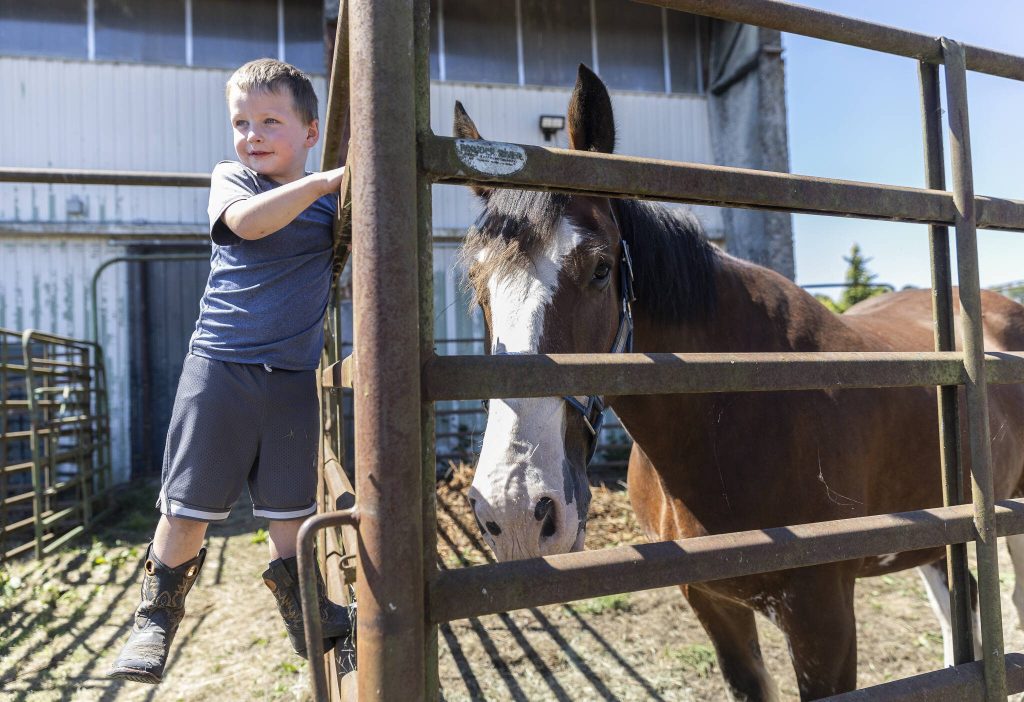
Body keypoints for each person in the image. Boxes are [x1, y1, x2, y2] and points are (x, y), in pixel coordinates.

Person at [107, 58, 351, 684]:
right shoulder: (235, 181)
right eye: (241, 122)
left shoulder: (332, 209)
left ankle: (306, 615)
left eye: (271, 121)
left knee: (289, 513)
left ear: (311, 131)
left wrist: (342, 197)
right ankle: (156, 620)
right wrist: (327, 185)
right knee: (187, 508)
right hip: (221, 368)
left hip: (292, 377)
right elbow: (249, 225)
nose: (253, 135)